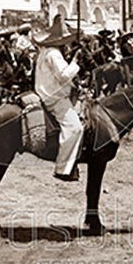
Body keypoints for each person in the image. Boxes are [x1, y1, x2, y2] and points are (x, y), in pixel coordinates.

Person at [33, 15, 83, 182]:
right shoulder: (54, 54)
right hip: (55, 98)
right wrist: (75, 62)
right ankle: (63, 168)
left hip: (45, 93)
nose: (67, 45)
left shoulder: (44, 52)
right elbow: (63, 76)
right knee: (75, 128)